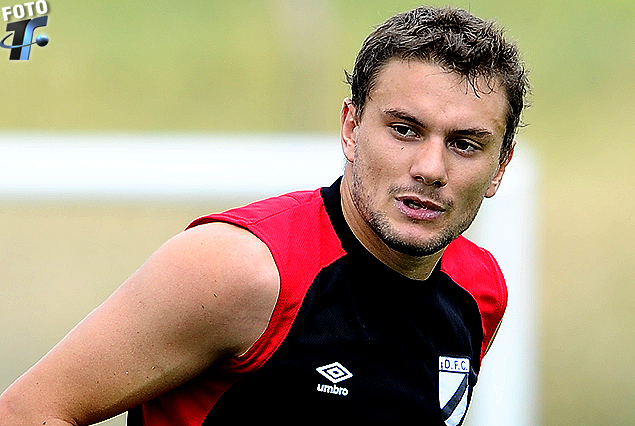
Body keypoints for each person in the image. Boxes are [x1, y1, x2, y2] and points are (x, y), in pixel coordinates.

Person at [0, 5, 528, 425]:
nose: (430, 168)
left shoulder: (478, 290)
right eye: (404, 130)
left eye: (464, 143)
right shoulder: (242, 269)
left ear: (500, 166)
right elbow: (26, 413)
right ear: (351, 128)